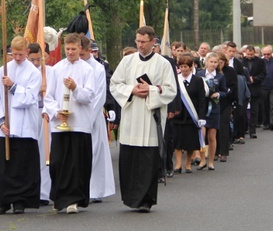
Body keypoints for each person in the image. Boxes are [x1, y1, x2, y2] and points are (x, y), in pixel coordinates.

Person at [110, 26, 177, 213]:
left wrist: (151, 90)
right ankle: (130, 198)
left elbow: (171, 90)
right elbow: (115, 84)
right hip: (131, 115)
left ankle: (146, 200)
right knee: (129, 159)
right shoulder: (127, 61)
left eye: (143, 42)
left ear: (153, 42)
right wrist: (131, 90)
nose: (139, 45)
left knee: (147, 160)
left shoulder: (163, 63)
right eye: (137, 41)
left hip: (149, 116)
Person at [44, 33, 97, 214]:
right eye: (67, 49)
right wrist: (55, 112)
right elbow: (49, 96)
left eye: (74, 49)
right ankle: (60, 198)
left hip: (80, 122)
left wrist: (75, 88)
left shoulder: (87, 70)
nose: (70, 52)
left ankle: (74, 199)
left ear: (80, 48)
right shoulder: (57, 69)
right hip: (60, 123)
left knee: (77, 162)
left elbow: (90, 95)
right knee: (58, 161)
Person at [0, 36, 43, 214]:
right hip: (5, 127)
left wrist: (13, 87)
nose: (17, 58)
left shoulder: (33, 73)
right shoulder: (2, 71)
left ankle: (20, 201)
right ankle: (4, 201)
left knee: (22, 165)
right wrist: (1, 121)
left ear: (27, 52)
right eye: (14, 54)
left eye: (20, 54)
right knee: (4, 165)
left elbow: (29, 98)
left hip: (24, 125)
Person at [79, 36, 116, 202]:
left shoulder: (98, 68)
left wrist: (88, 118)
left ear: (89, 51)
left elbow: (99, 95)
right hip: (76, 117)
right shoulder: (73, 66)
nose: (79, 57)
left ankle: (96, 190)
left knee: (95, 152)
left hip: (93, 117)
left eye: (82, 54)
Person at [172, 55, 207, 173]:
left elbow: (202, 100)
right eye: (181, 66)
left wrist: (202, 117)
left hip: (192, 116)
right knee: (177, 141)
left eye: (186, 66)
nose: (184, 69)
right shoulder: (176, 80)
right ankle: (178, 164)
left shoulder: (198, 80)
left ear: (191, 67)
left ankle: (187, 163)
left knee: (190, 142)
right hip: (178, 115)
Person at [27, 42, 53, 205]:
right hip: (28, 114)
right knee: (29, 153)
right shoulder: (24, 72)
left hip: (45, 114)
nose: (36, 64)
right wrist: (37, 89)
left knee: (45, 153)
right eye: (33, 60)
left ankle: (44, 192)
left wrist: (46, 89)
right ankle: (29, 191)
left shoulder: (51, 72)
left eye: (39, 59)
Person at [196, 52, 226, 170]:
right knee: (201, 135)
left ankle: (211, 161)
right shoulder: (199, 74)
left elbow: (225, 91)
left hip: (214, 108)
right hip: (202, 108)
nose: (213, 64)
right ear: (206, 62)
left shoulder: (220, 76)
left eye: (215, 62)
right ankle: (203, 159)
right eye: (211, 62)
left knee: (212, 136)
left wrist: (218, 94)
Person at [243, 45, 266, 138]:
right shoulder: (241, 61)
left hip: (255, 88)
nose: (249, 56)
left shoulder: (260, 61)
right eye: (248, 54)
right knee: (243, 110)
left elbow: (264, 74)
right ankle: (243, 129)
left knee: (254, 111)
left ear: (254, 53)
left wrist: (254, 79)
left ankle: (252, 131)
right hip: (244, 88)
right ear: (245, 52)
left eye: (251, 54)